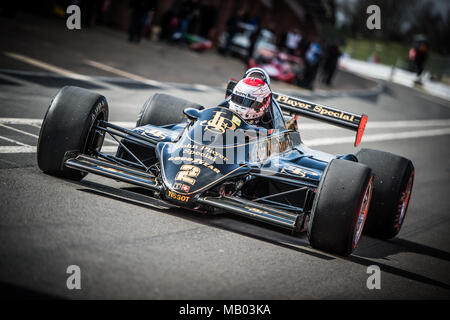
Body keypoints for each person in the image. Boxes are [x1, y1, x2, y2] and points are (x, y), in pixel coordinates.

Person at [220, 68, 285, 130]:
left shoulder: (269, 122)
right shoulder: (223, 110)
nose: (241, 106)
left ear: (264, 104)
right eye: (238, 99)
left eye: (249, 102)